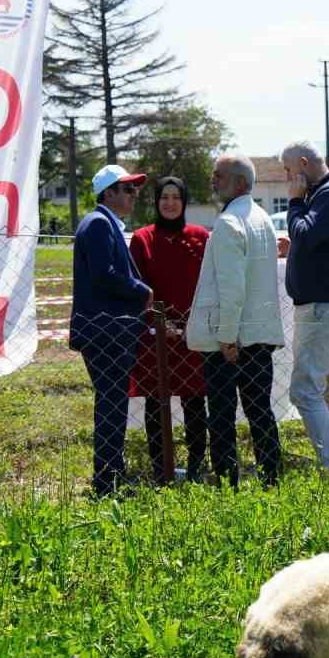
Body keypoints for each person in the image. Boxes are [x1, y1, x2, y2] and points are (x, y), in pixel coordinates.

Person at [187, 154, 286, 486]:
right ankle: (272, 478)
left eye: (220, 176)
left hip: (231, 340)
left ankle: (229, 485)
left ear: (241, 183)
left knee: (223, 416)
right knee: (260, 412)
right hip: (260, 336)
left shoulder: (229, 223)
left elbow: (233, 289)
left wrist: (227, 337)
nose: (213, 180)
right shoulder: (261, 218)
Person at [70, 164, 152, 496]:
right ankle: (107, 479)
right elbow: (104, 275)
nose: (134, 195)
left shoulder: (103, 224)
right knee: (111, 403)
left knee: (113, 402)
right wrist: (141, 290)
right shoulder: (99, 225)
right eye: (128, 189)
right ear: (109, 193)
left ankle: (111, 472)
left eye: (134, 189)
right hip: (106, 331)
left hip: (107, 330)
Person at [282, 138, 329, 474]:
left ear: (302, 164)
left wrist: (295, 203)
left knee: (304, 390)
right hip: (325, 307)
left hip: (323, 309)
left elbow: (304, 233)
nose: (287, 178)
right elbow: (310, 239)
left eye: (288, 170)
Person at [128, 176, 210, 483]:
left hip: (192, 334)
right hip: (156, 335)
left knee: (194, 401)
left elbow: (209, 283)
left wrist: (191, 324)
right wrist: (160, 325)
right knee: (156, 402)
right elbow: (136, 288)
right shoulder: (143, 239)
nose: (170, 202)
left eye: (176, 196)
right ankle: (160, 467)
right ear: (156, 201)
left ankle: (196, 466)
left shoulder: (201, 236)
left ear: (184, 201)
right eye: (164, 196)